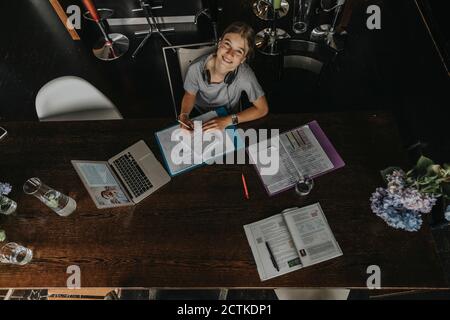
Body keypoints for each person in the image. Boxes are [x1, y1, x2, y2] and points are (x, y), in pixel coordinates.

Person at [179, 21, 269, 131]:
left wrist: (228, 120)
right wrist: (184, 115)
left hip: (229, 117)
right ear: (219, 43)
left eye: (239, 51)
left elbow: (262, 109)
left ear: (243, 59)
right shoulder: (195, 68)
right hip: (198, 116)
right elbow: (190, 94)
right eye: (227, 44)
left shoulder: (245, 75)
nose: (230, 53)